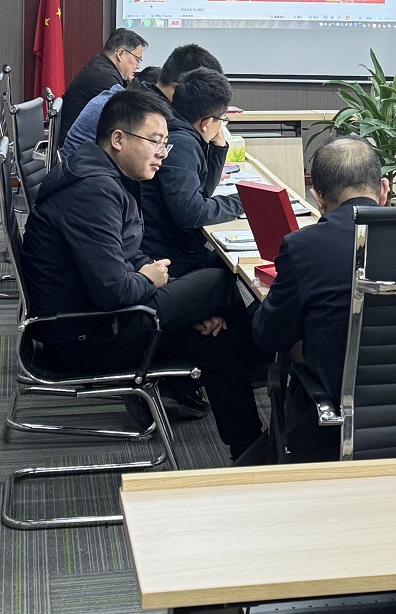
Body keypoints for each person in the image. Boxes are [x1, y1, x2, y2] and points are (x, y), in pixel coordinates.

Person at [21, 87, 262, 460]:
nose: (163, 153)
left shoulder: (104, 172)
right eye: (155, 142)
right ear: (118, 139)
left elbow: (126, 254)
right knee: (217, 278)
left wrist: (188, 311)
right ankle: (264, 357)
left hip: (100, 319)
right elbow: (113, 291)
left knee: (218, 339)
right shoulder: (93, 190)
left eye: (166, 143)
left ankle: (251, 452)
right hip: (84, 336)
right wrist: (150, 279)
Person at [251, 137, 389, 461]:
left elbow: (270, 335)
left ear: (318, 198)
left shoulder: (303, 247)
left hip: (337, 421)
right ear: (384, 189)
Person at [140, 67, 245, 276]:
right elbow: (191, 212)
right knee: (230, 272)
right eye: (222, 120)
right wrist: (243, 201)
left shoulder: (176, 128)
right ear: (206, 123)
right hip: (166, 258)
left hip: (169, 246)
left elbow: (203, 193)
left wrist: (218, 147)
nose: (221, 126)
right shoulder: (182, 144)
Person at [60, 43, 224, 163]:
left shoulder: (138, 94)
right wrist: (213, 139)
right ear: (180, 87)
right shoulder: (142, 113)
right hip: (86, 186)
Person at [58, 28, 148, 145]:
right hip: (76, 150)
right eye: (137, 60)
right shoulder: (104, 78)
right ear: (120, 54)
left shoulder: (102, 67)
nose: (138, 66)